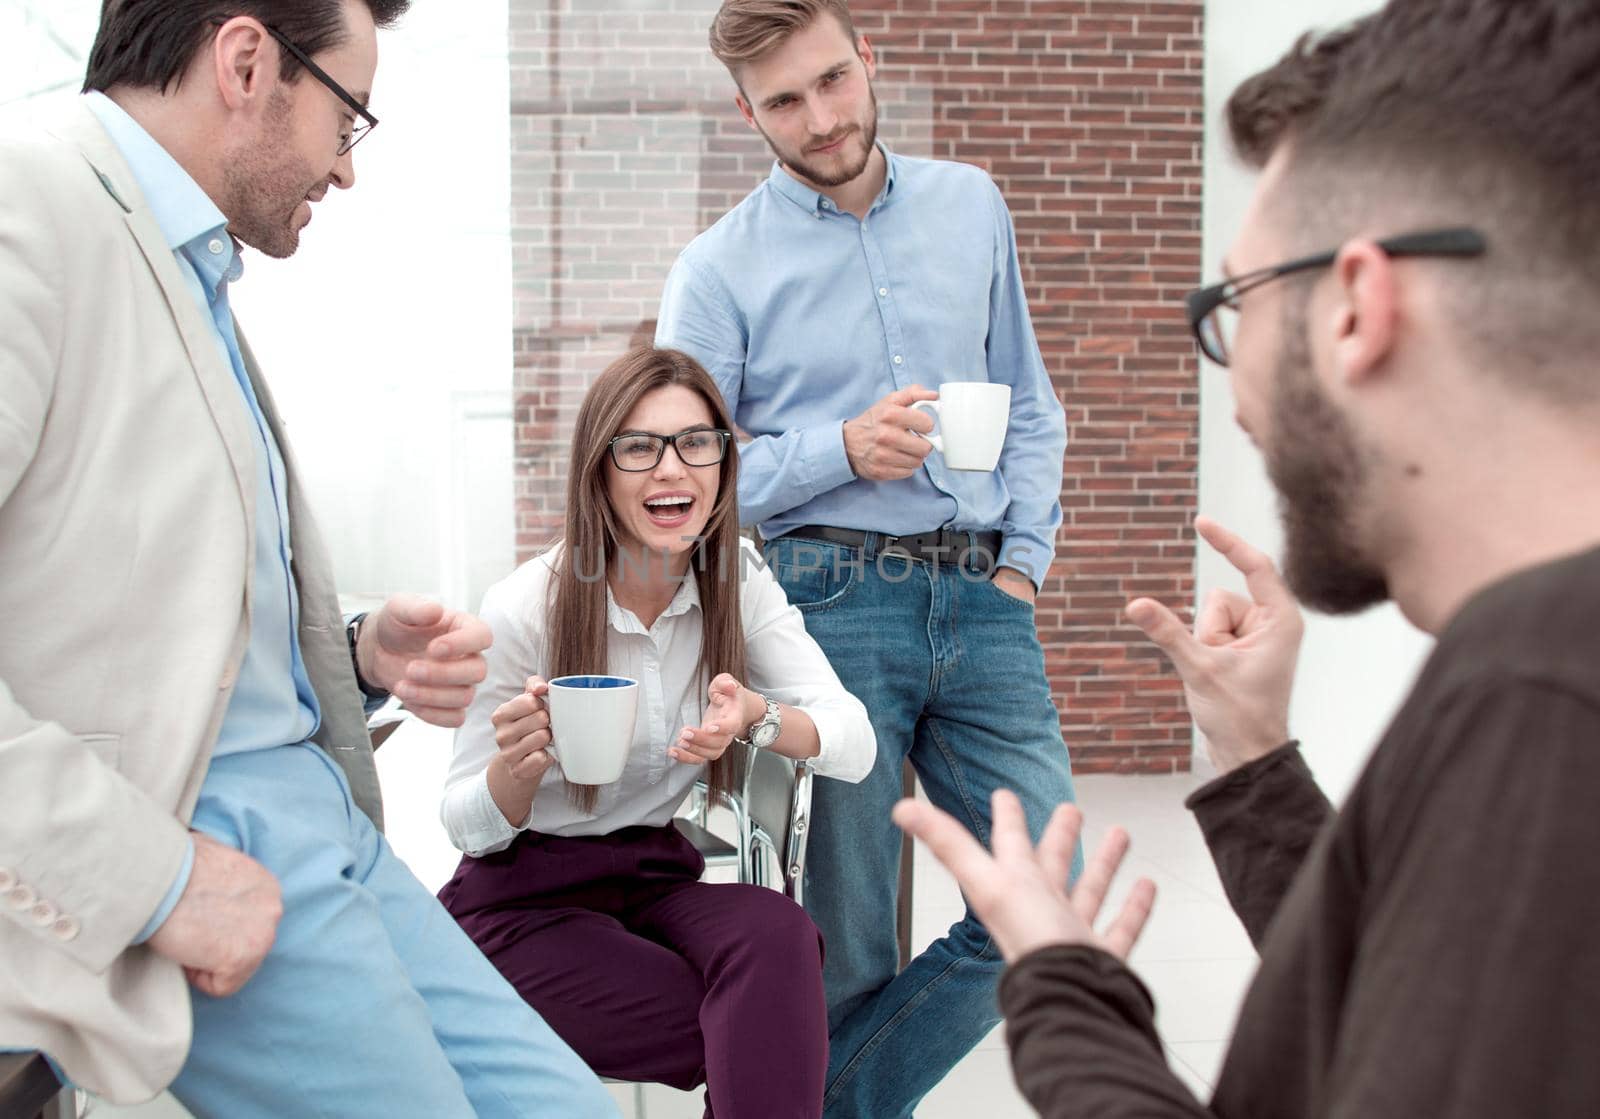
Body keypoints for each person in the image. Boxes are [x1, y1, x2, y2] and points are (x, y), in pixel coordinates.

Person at [895, 1, 1600, 1114]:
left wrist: (1063, 989)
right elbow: (1402, 1001)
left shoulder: (1539, 700)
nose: (1232, 398)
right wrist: (1254, 756)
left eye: (1234, 302)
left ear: (1355, 308)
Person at [0, 3, 615, 1115]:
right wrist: (153, 882)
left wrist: (349, 650)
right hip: (196, 834)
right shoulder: (26, 206)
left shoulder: (180, 265)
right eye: (348, 121)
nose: (346, 172)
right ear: (246, 62)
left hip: (323, 814)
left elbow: (130, 588)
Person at [654, 3, 1080, 1113]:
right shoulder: (715, 269)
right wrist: (836, 450)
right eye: (785, 101)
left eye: (833, 80)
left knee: (1044, 891)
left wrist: (1020, 567)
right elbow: (674, 476)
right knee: (840, 947)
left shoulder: (970, 205)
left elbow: (1027, 402)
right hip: (822, 604)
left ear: (866, 62)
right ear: (746, 111)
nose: (821, 117)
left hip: (983, 597)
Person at [437, 346, 876, 1118]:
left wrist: (757, 719)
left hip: (652, 874)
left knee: (780, 935)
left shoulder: (735, 580)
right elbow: (463, 826)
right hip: (521, 900)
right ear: (598, 470)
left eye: (696, 441)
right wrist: (514, 772)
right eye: (639, 446)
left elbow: (856, 740)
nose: (672, 468)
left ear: (722, 461)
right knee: (763, 1029)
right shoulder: (524, 608)